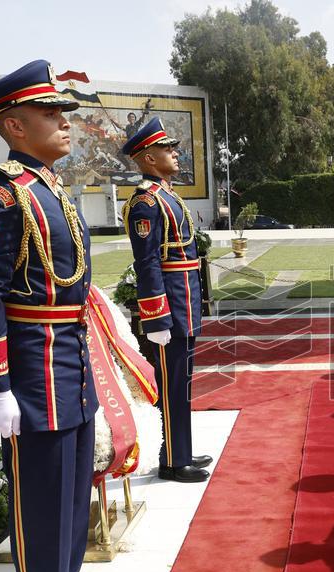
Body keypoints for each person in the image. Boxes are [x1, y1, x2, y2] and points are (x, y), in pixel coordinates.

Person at [0, 59, 120, 572]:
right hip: (31, 368)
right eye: (50, 113)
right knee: (43, 499)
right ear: (13, 125)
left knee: (76, 491)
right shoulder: (0, 197)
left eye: (62, 111)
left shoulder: (47, 186)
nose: (64, 121)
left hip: (69, 357)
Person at [122, 117, 213, 482]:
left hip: (184, 301)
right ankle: (175, 462)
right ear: (147, 157)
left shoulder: (167, 195)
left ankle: (181, 451)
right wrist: (156, 319)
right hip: (169, 309)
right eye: (166, 149)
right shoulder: (146, 203)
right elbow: (147, 264)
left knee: (183, 383)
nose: (175, 153)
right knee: (173, 385)